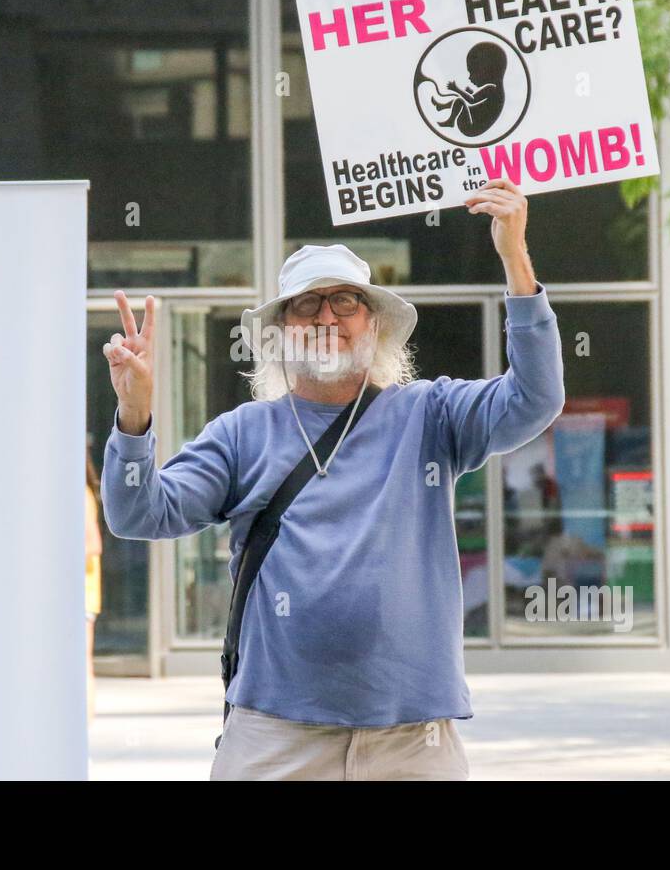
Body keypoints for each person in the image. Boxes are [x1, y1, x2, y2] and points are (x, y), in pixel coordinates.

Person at [100, 177, 564, 780]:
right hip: (275, 736)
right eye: (307, 304)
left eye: (346, 301)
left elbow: (536, 398)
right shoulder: (244, 433)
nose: (327, 316)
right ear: (282, 330)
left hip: (411, 740)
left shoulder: (430, 415)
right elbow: (138, 514)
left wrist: (515, 258)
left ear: (373, 325)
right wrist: (134, 416)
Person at [85, 446, 104, 721]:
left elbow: (93, 544)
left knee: (82, 663)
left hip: (82, 594)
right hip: (84, 594)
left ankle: (84, 720)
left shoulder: (80, 494)